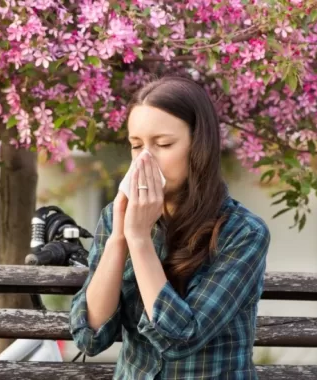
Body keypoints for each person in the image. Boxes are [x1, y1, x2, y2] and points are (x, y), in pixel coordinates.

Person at [69, 76, 271, 379]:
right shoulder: (116, 217)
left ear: (198, 146)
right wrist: (119, 239)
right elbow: (90, 337)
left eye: (163, 144)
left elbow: (180, 339)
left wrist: (139, 241)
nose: (145, 159)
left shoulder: (243, 233)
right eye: (137, 146)